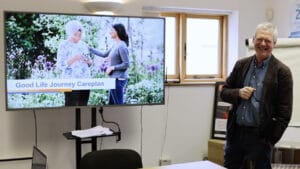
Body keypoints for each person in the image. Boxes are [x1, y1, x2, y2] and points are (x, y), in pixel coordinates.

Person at [220, 22, 293, 169]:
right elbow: (224, 92)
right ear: (253, 40)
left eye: (268, 40)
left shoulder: (282, 72)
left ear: (274, 44)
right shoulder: (241, 65)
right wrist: (238, 93)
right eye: (259, 39)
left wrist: (270, 140)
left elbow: (285, 113)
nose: (263, 44)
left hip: (261, 137)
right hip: (236, 134)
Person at [90, 23, 130, 104]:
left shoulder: (122, 46)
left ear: (117, 31)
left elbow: (126, 64)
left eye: (112, 30)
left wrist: (112, 68)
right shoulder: (115, 45)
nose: (110, 32)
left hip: (118, 80)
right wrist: (90, 48)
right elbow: (104, 54)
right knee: (111, 105)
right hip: (113, 79)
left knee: (118, 105)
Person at [57, 20, 92, 106]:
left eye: (80, 35)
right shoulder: (63, 45)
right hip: (70, 82)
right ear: (70, 33)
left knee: (83, 105)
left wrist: (88, 61)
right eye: (75, 35)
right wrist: (74, 58)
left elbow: (90, 63)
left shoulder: (84, 45)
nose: (78, 37)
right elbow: (60, 65)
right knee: (70, 105)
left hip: (85, 81)